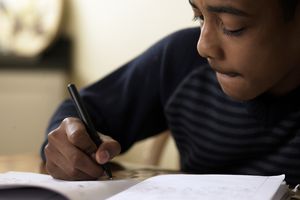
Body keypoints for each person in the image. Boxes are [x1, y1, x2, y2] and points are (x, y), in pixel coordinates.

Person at [41, 0, 300, 186]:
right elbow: (82, 110)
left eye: (232, 27)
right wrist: (69, 144)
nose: (204, 46)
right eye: (198, 17)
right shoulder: (181, 62)